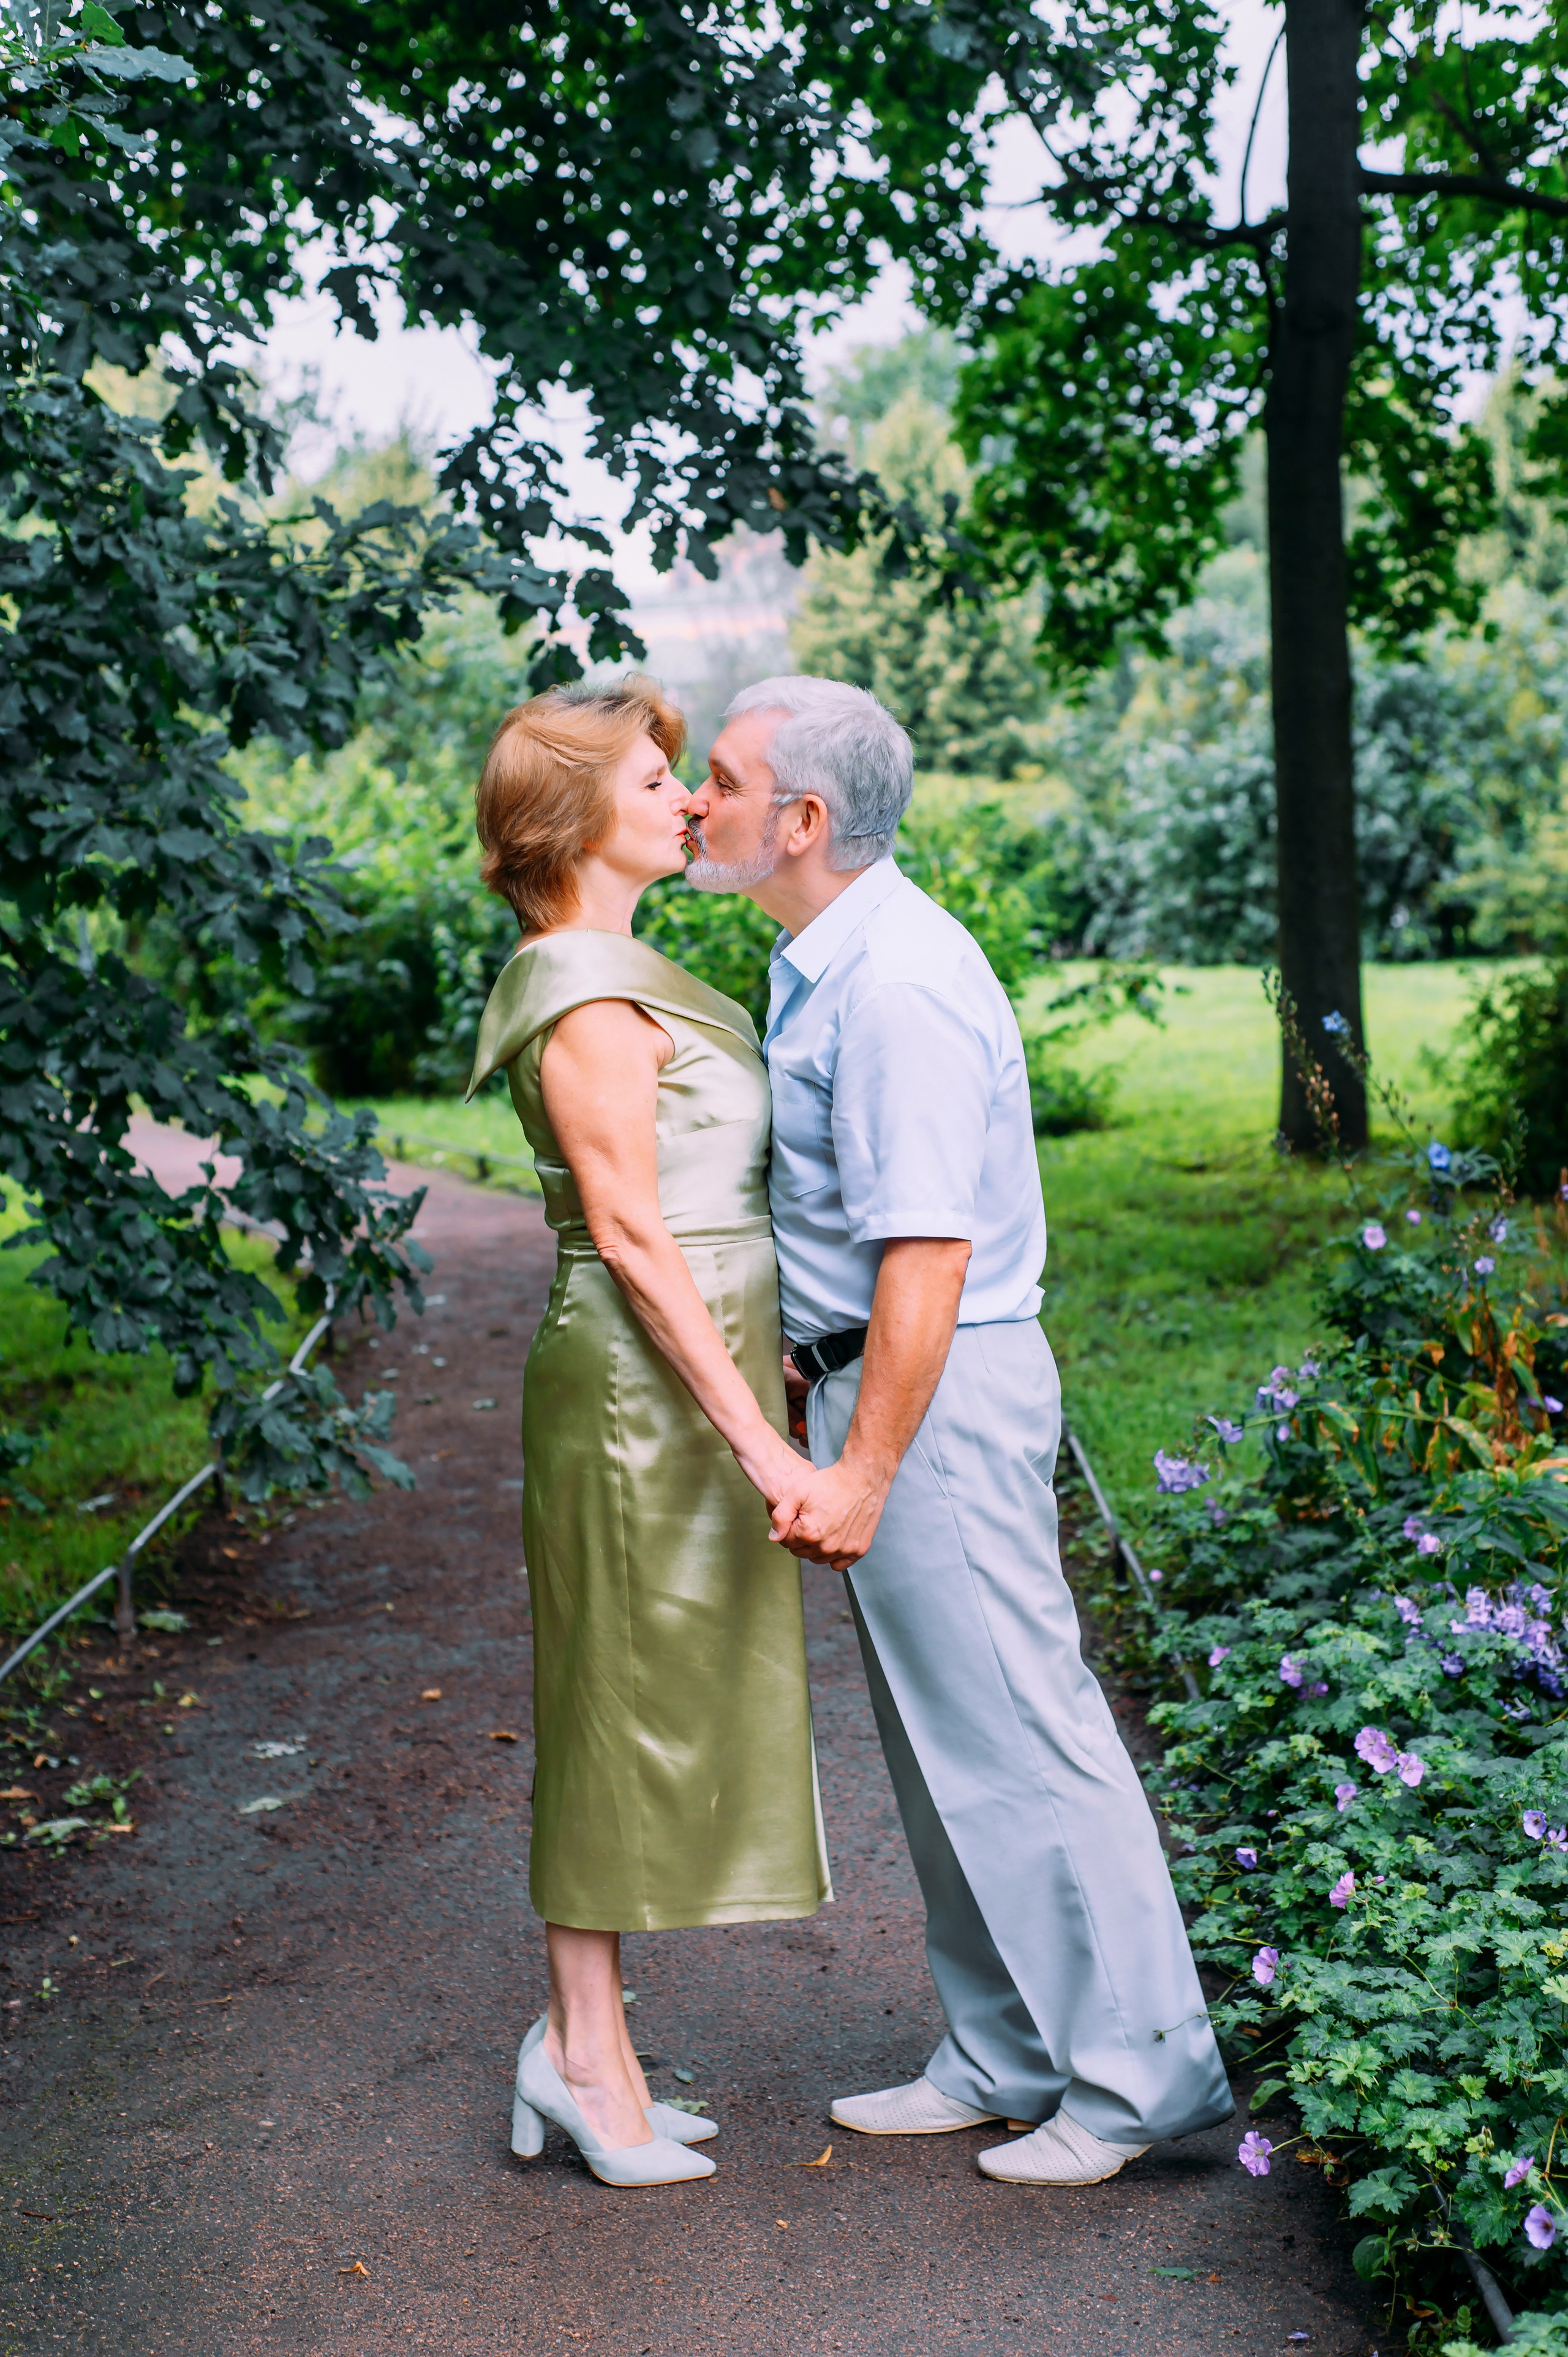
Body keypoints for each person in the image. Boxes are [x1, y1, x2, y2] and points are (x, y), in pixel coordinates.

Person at [682, 676, 1234, 2188]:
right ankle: (1002, 2050)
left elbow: (927, 1253)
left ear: (801, 818)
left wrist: (863, 1466)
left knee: (1022, 1734)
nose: (694, 801)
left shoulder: (897, 984)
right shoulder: (824, 958)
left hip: (932, 1396)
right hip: (877, 1381)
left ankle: (1138, 2082)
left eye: (719, 778)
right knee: (943, 1746)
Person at [466, 678, 829, 2190]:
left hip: (687, 1367)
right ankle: (580, 2057)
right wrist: (766, 1446)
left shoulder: (626, 973)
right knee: (607, 1706)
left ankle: (586, 2044)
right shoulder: (582, 995)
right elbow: (627, 1231)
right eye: (655, 782)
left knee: (644, 1696)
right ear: (569, 819)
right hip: (630, 1388)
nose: (688, 801)